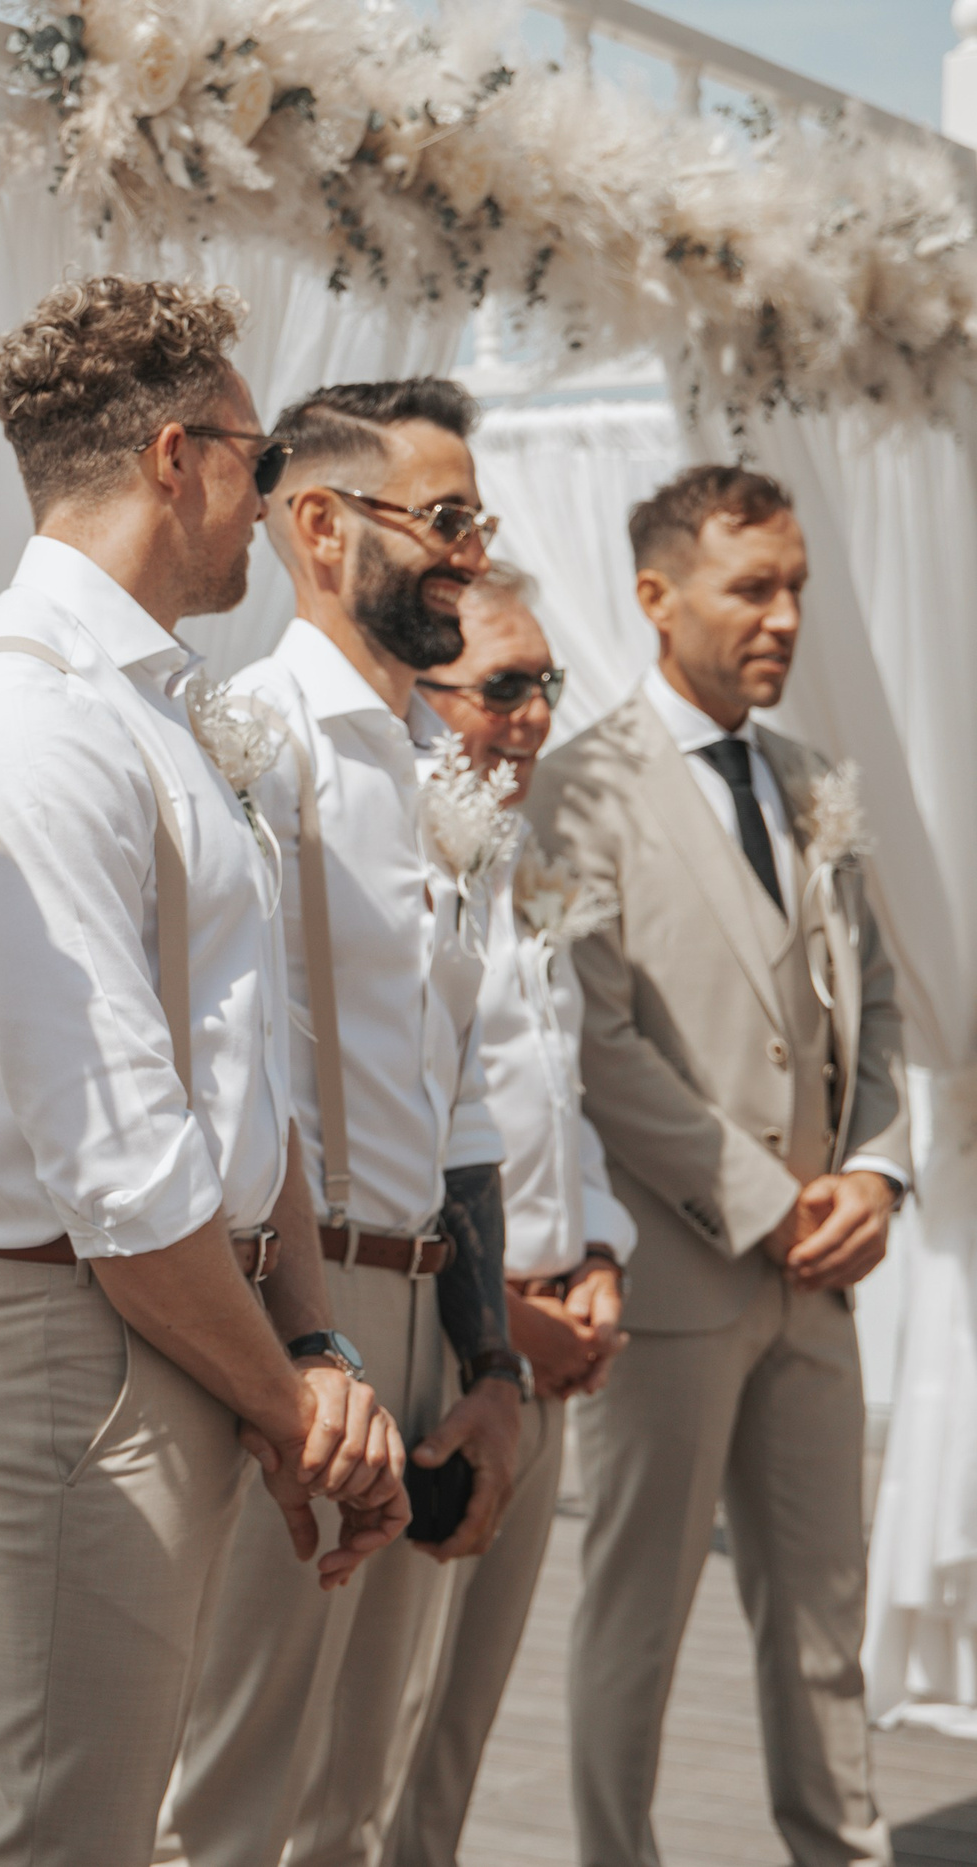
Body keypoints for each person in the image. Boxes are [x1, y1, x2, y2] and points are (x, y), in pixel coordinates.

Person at [0, 276, 408, 1867]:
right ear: (178, 459)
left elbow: (253, 1082)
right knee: (72, 1833)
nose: (270, 497)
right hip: (76, 1332)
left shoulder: (159, 707)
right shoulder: (22, 722)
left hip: (193, 1313)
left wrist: (314, 1338)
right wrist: (290, 1395)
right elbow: (118, 1156)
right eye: (259, 455)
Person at [161, 378, 524, 1867]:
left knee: (355, 1798)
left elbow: (467, 1093)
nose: (469, 560)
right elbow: (220, 1075)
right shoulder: (250, 741)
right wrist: (295, 1349)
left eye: (474, 525)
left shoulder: (434, 767)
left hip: (429, 1298)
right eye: (444, 522)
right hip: (297, 1306)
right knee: (233, 1788)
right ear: (317, 523)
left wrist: (492, 1360)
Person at [526, 466, 909, 1867]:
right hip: (680, 1274)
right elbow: (599, 1040)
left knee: (826, 1622)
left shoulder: (817, 785)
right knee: (637, 1622)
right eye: (754, 584)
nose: (786, 615)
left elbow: (873, 1007)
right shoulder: (576, 786)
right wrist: (764, 1204)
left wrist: (872, 1173)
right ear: (655, 595)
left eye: (796, 583)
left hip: (822, 1279)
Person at [382, 565, 635, 1866]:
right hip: (440, 1344)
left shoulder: (518, 852)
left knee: (456, 1739)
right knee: (380, 1733)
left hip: (538, 1341)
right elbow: (398, 1127)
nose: (535, 714)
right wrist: (504, 1325)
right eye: (504, 686)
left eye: (548, 683)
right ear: (416, 688)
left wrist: (595, 1251)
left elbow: (558, 1092)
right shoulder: (388, 856)